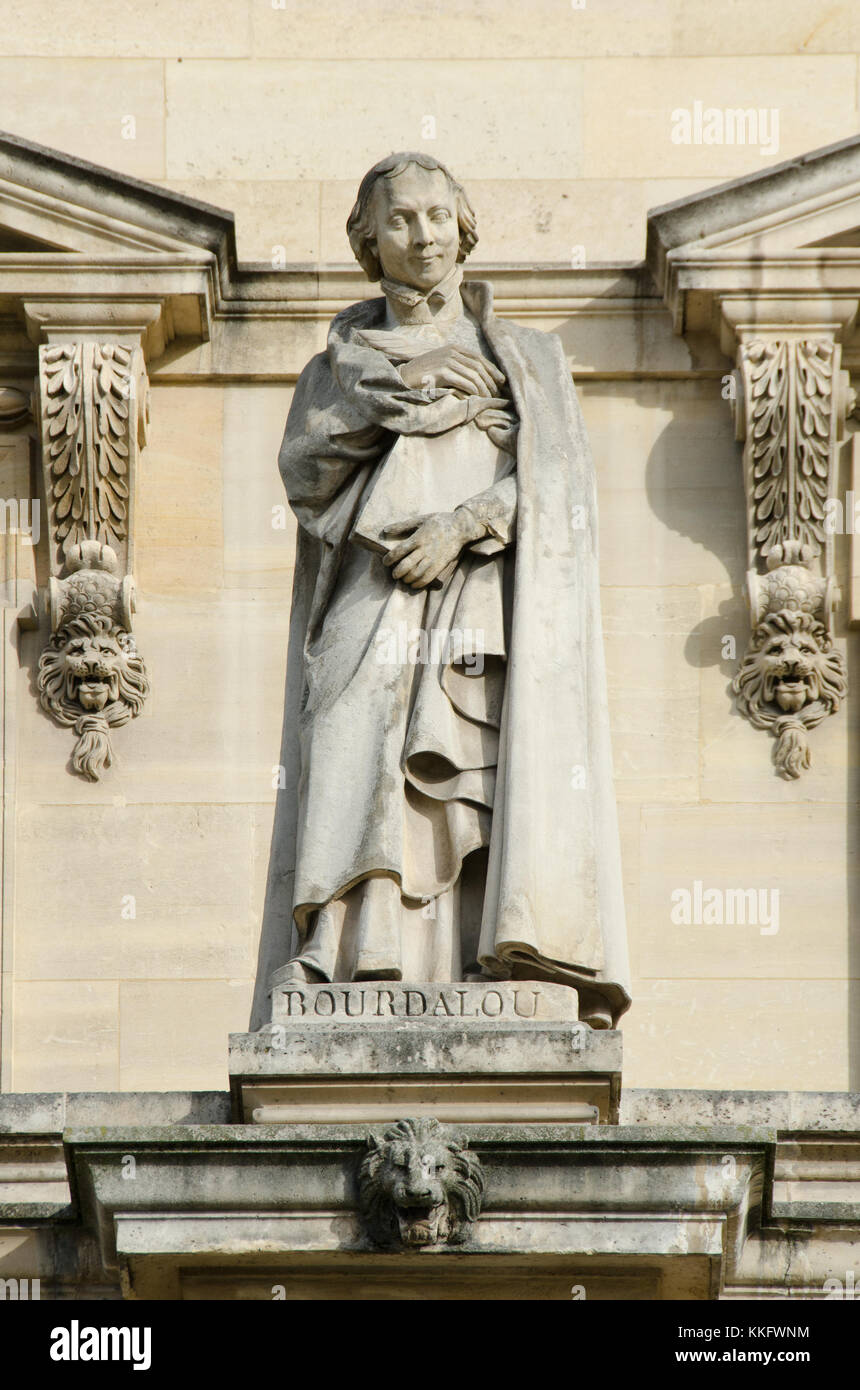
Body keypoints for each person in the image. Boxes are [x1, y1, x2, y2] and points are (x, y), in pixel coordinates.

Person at [251, 153, 630, 1031]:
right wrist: (409, 390)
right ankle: (350, 953)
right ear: (367, 241)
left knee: (478, 764)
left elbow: (564, 489)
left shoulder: (528, 360)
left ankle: (484, 955)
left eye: (435, 217)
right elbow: (305, 475)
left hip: (481, 589)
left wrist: (463, 525)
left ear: (463, 229)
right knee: (350, 741)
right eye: (399, 221)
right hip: (370, 590)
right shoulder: (338, 366)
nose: (421, 235)